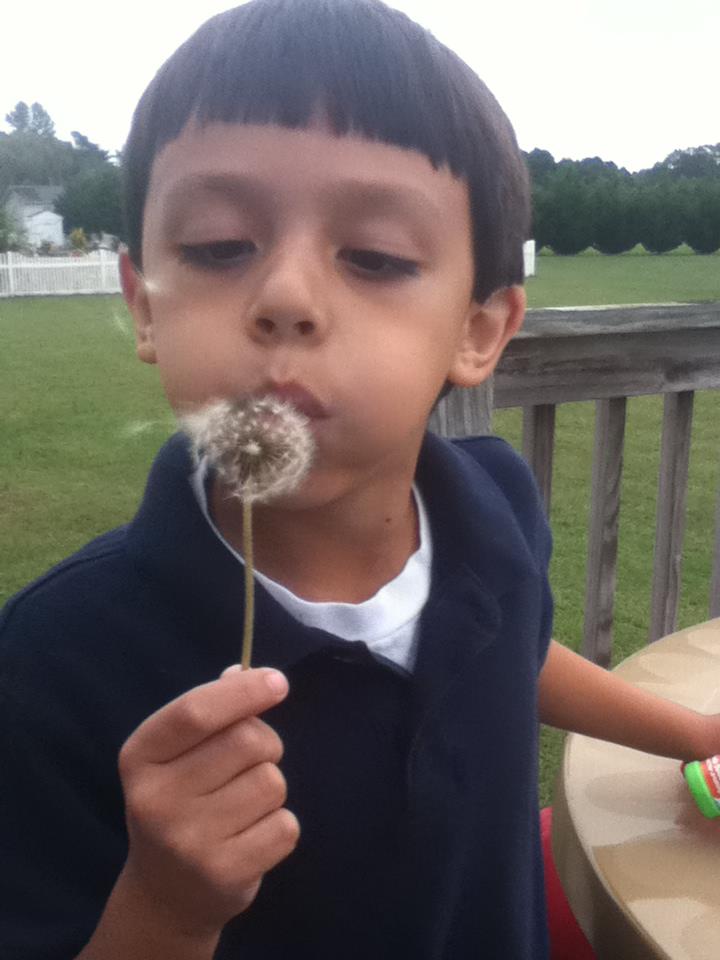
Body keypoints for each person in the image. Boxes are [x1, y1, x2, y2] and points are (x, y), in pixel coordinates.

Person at [1, 2, 717, 958]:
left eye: (375, 257)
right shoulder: (53, 660)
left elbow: (512, 649)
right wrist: (167, 907)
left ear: (479, 332)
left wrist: (694, 732)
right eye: (218, 247)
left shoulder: (496, 505)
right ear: (145, 305)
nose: (285, 297)